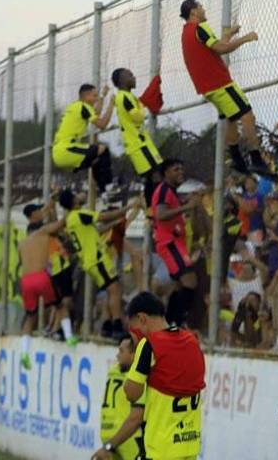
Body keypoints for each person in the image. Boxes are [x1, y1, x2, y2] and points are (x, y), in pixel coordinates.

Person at [91, 292, 206, 460]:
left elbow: (131, 393)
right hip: (189, 445)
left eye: (133, 331)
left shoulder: (149, 345)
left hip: (161, 448)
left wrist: (139, 362)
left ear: (142, 318)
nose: (134, 337)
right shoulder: (191, 341)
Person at [179, 0, 272, 176]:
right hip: (220, 83)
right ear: (193, 12)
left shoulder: (187, 32)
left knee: (231, 118)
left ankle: (237, 160)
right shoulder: (199, 28)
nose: (204, 9)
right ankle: (256, 159)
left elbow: (214, 46)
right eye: (200, 6)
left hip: (207, 87)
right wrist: (245, 38)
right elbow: (222, 49)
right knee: (247, 116)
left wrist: (229, 34)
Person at [61, 187, 139, 339]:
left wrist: (115, 221)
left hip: (89, 261)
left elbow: (96, 230)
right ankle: (116, 325)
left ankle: (107, 325)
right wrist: (128, 207)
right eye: (76, 196)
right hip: (97, 259)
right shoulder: (79, 214)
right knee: (115, 289)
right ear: (73, 200)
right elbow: (103, 217)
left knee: (111, 290)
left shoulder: (71, 219)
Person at [150, 159, 203, 326]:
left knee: (180, 285)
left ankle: (170, 322)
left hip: (176, 243)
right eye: (176, 169)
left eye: (182, 168)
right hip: (169, 242)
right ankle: (175, 323)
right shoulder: (164, 190)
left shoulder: (171, 192)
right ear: (166, 173)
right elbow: (161, 214)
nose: (181, 172)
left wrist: (186, 201)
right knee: (190, 281)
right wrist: (187, 207)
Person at [19, 201, 70, 367]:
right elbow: (61, 224)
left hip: (25, 280)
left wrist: (50, 204)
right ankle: (69, 337)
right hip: (41, 277)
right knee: (60, 305)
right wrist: (70, 209)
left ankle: (24, 352)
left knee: (30, 316)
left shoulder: (23, 243)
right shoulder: (42, 232)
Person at [111, 67, 166, 196]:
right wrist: (142, 104)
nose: (134, 78)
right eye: (130, 75)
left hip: (143, 143)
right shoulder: (123, 97)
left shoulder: (129, 96)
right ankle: (156, 207)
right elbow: (138, 116)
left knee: (155, 175)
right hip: (138, 145)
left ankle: (152, 209)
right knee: (155, 176)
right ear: (121, 80)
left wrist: (140, 102)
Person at [51, 83, 115, 188]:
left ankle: (100, 187)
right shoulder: (83, 107)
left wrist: (103, 96)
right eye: (94, 96)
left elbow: (96, 113)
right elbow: (102, 124)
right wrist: (111, 105)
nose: (96, 99)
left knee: (97, 160)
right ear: (86, 96)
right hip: (66, 149)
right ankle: (106, 188)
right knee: (103, 151)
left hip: (61, 151)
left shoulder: (76, 106)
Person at [99, 337, 143, 460]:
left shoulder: (113, 371)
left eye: (121, 351)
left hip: (108, 433)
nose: (117, 356)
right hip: (127, 436)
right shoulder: (136, 379)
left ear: (133, 354)